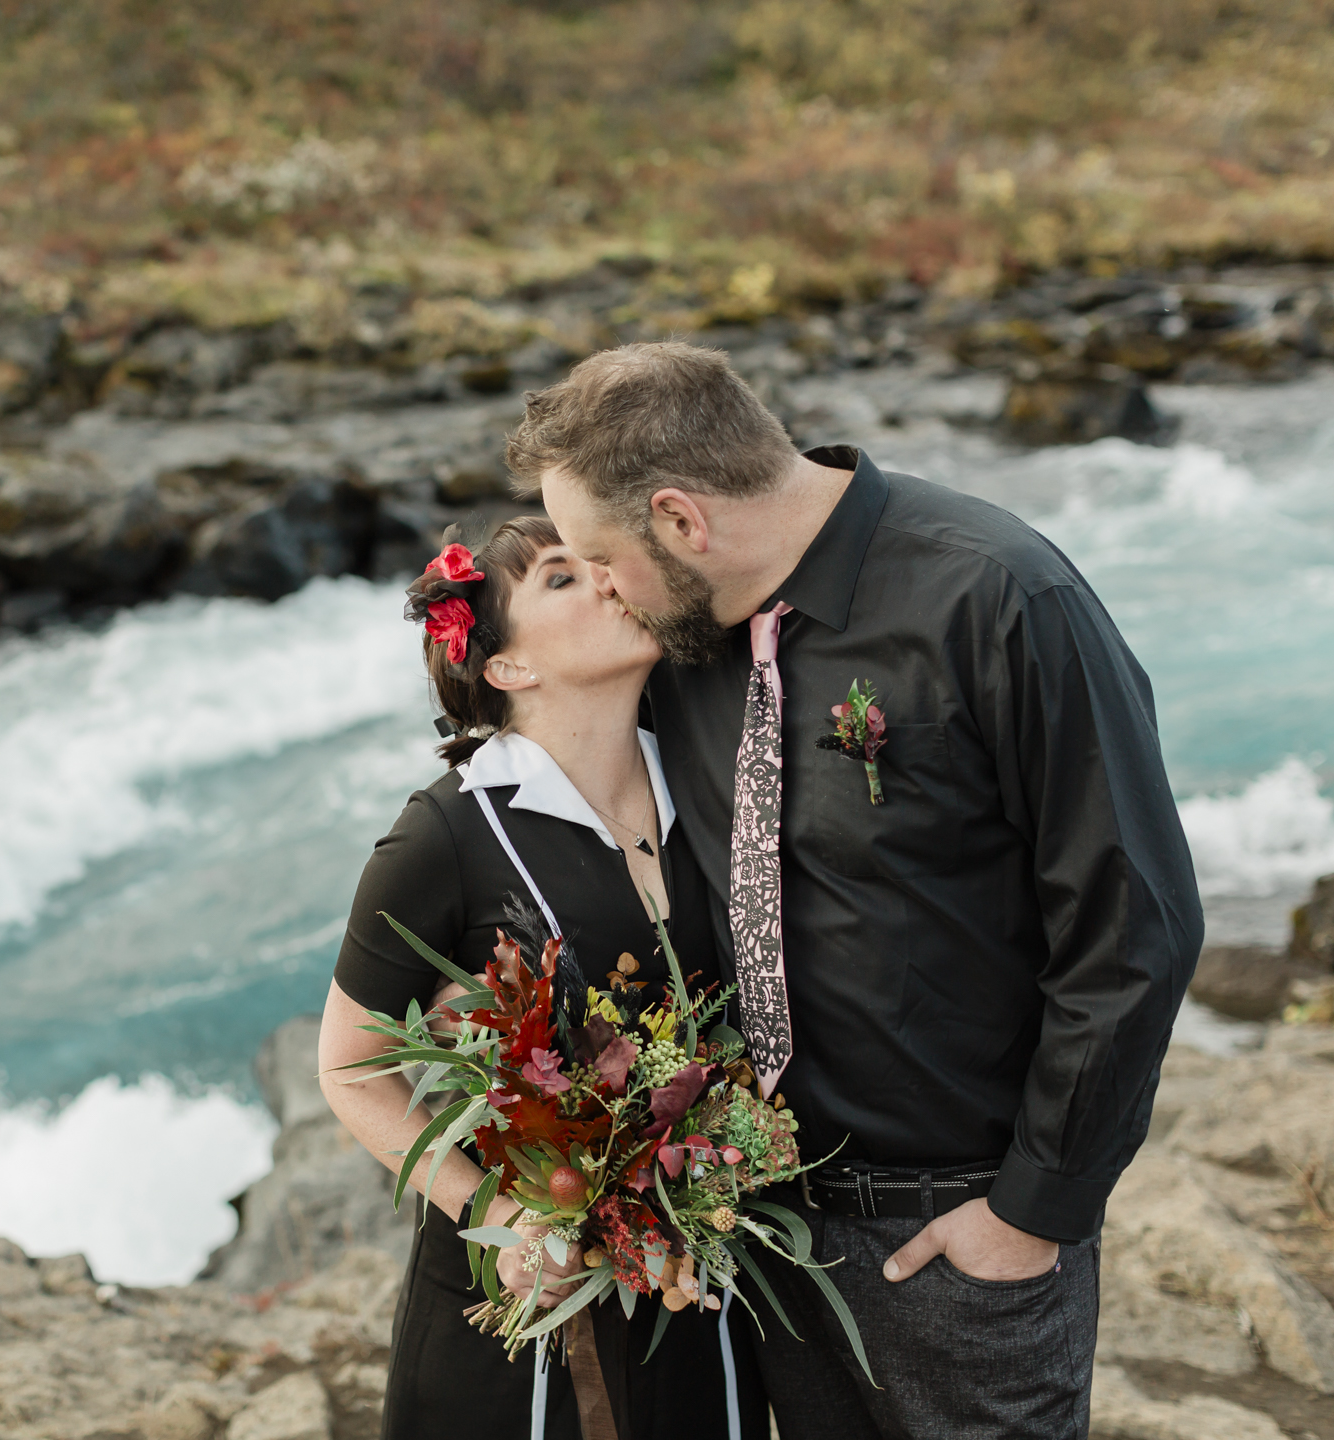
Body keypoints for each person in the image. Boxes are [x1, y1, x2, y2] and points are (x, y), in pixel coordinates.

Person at [507, 341, 1203, 1440]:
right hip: (765, 1230)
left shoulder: (1003, 595)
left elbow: (1135, 924)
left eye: (602, 558)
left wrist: (1033, 1210)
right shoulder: (682, 638)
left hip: (965, 1233)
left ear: (683, 521)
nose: (601, 589)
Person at [317, 516, 770, 1440]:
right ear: (508, 669)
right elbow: (351, 1066)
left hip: (694, 1285)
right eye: (565, 580)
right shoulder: (444, 836)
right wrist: (502, 1214)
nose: (610, 581)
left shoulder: (714, 776)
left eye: (600, 563)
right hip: (521, 1307)